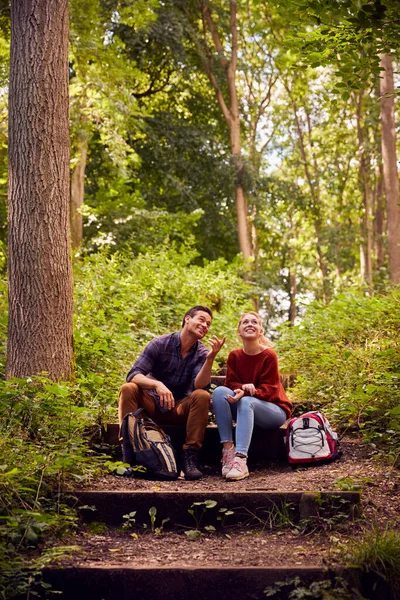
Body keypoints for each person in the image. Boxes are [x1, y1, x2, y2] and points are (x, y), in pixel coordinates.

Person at [119, 306, 225, 480]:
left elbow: (200, 385)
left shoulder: (202, 352)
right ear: (187, 319)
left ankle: (189, 457)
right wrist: (157, 385)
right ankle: (128, 455)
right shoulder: (160, 343)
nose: (205, 325)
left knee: (202, 395)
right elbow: (133, 375)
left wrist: (210, 358)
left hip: (179, 409)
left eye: (208, 324)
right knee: (128, 388)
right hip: (150, 408)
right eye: (201, 319)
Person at [212, 311, 293, 481]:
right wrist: (242, 388)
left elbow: (271, 389)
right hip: (245, 407)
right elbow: (230, 384)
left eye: (254, 322)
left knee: (247, 401)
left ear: (260, 330)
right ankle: (228, 451)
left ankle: (241, 460)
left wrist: (251, 391)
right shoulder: (234, 355)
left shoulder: (269, 355)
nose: (250, 324)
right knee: (219, 392)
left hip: (274, 411)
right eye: (245, 322)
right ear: (239, 331)